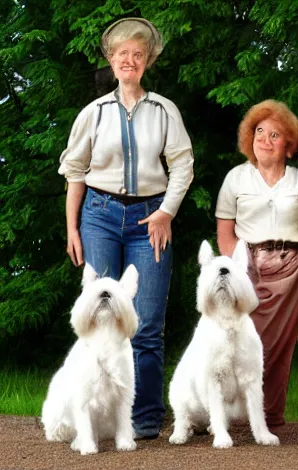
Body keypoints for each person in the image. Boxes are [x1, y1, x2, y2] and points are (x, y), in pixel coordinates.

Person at [58, 18, 194, 440]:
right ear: (111, 61)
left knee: (147, 320)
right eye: (122, 55)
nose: (129, 61)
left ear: (147, 61)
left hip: (150, 219)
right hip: (98, 214)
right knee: (97, 318)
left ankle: (146, 416)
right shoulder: (93, 113)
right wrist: (73, 230)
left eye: (137, 54)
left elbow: (183, 165)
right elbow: (75, 172)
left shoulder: (164, 110)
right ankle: (94, 417)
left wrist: (166, 212)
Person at [216, 100, 298, 430]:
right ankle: (230, 413)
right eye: (259, 132)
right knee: (243, 340)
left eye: (275, 134)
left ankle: (269, 416)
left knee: (280, 345)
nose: (265, 139)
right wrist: (238, 270)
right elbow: (225, 232)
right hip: (247, 265)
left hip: (291, 266)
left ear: (289, 145)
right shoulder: (236, 178)